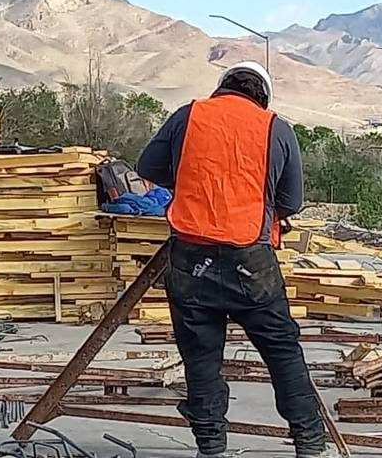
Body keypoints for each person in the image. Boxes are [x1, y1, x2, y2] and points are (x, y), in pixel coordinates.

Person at [137, 61, 331, 458]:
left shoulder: (188, 115)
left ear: (222, 86)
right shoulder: (276, 127)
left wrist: (193, 179)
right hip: (251, 262)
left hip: (191, 260)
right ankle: (310, 443)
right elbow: (291, 201)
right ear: (263, 96)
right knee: (282, 351)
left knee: (201, 357)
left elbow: (147, 167)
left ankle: (211, 446)